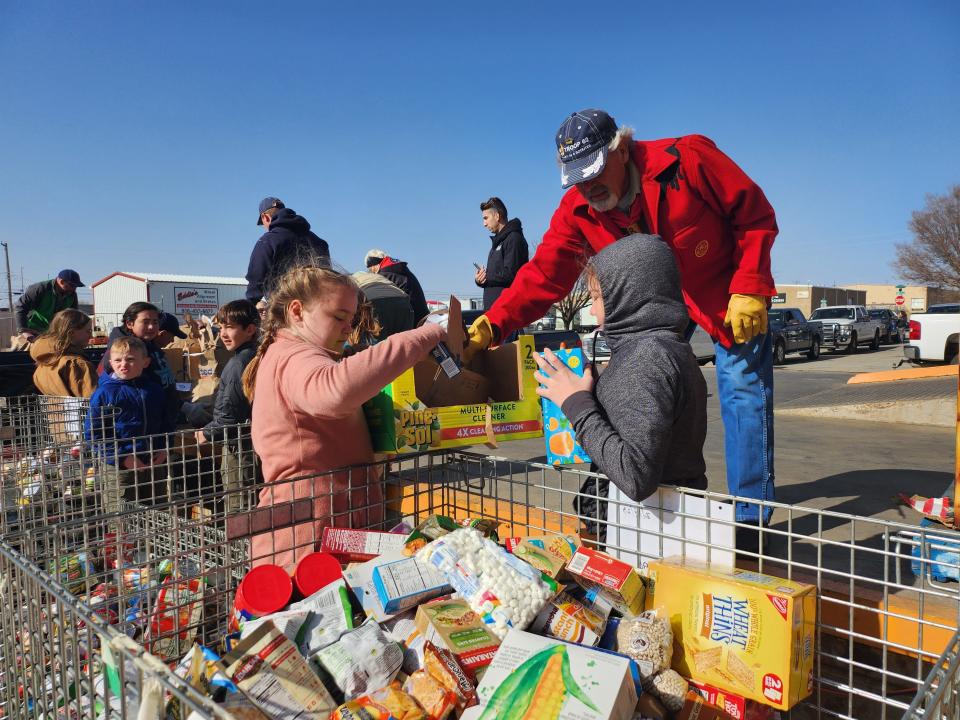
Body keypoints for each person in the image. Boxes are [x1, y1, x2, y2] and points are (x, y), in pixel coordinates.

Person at [466, 109, 778, 540]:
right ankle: (618, 507)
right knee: (625, 389)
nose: (588, 186)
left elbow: (754, 215)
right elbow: (544, 274)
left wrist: (751, 284)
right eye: (576, 177)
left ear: (622, 149)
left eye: (594, 172)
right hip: (647, 311)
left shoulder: (687, 161)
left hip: (726, 299)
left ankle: (749, 529)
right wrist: (493, 323)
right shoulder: (578, 209)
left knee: (743, 392)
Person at [242, 266, 446, 570]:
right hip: (309, 547)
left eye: (350, 321)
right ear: (297, 311)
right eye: (338, 317)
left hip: (318, 535)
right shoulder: (295, 356)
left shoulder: (287, 353)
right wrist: (425, 336)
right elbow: (334, 392)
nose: (347, 329)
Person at [533, 235, 707, 539]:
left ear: (631, 294)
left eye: (599, 298)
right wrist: (595, 389)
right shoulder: (665, 347)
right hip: (658, 528)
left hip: (644, 538)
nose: (595, 312)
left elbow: (635, 475)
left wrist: (575, 403)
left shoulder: (647, 357)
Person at [85, 336, 174, 511]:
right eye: (118, 360)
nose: (123, 364)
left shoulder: (154, 390)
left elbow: (167, 422)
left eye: (131, 359)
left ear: (145, 362)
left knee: (157, 510)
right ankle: (122, 539)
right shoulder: (104, 393)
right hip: (119, 467)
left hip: (153, 461)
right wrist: (121, 457)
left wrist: (165, 448)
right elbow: (94, 433)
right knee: (121, 513)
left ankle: (152, 539)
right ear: (110, 362)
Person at [195, 299, 260, 513]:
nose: (223, 333)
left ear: (250, 329)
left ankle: (242, 546)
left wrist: (206, 433)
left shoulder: (237, 364)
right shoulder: (256, 356)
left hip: (238, 447)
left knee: (239, 507)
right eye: (221, 326)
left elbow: (229, 415)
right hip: (254, 443)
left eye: (230, 327)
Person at [99, 302, 181, 422]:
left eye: (155, 322)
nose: (151, 327)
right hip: (140, 423)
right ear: (129, 323)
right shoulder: (124, 352)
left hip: (160, 418)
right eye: (145, 322)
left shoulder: (148, 344)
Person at [246, 196, 331, 303]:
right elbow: (327, 278)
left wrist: (249, 306)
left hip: (284, 311)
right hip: (316, 308)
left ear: (265, 217)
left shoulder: (268, 241)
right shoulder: (319, 242)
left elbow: (256, 281)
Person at [29, 309, 98, 398]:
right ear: (71, 333)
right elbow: (93, 401)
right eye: (88, 331)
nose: (91, 336)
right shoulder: (76, 364)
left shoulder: (44, 361)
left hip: (53, 411)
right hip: (77, 411)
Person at [475, 197, 529, 311]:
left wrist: (487, 276)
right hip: (494, 312)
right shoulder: (497, 244)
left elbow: (511, 274)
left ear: (497, 216)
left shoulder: (514, 238)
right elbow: (496, 278)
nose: (484, 224)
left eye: (486, 218)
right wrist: (480, 280)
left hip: (508, 313)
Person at [15, 269, 83, 344]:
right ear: (62, 281)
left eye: (76, 286)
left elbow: (73, 316)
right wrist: (24, 331)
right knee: (25, 351)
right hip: (32, 330)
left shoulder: (72, 294)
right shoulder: (40, 289)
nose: (74, 289)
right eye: (72, 285)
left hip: (54, 333)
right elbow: (20, 307)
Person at [364, 249, 430, 323]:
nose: (371, 273)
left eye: (370, 270)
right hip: (422, 314)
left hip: (411, 319)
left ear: (374, 265)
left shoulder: (385, 275)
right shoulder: (398, 269)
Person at [352, 270, 415, 341]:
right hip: (403, 301)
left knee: (377, 346)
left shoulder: (351, 279)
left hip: (373, 301)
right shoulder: (377, 276)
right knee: (404, 343)